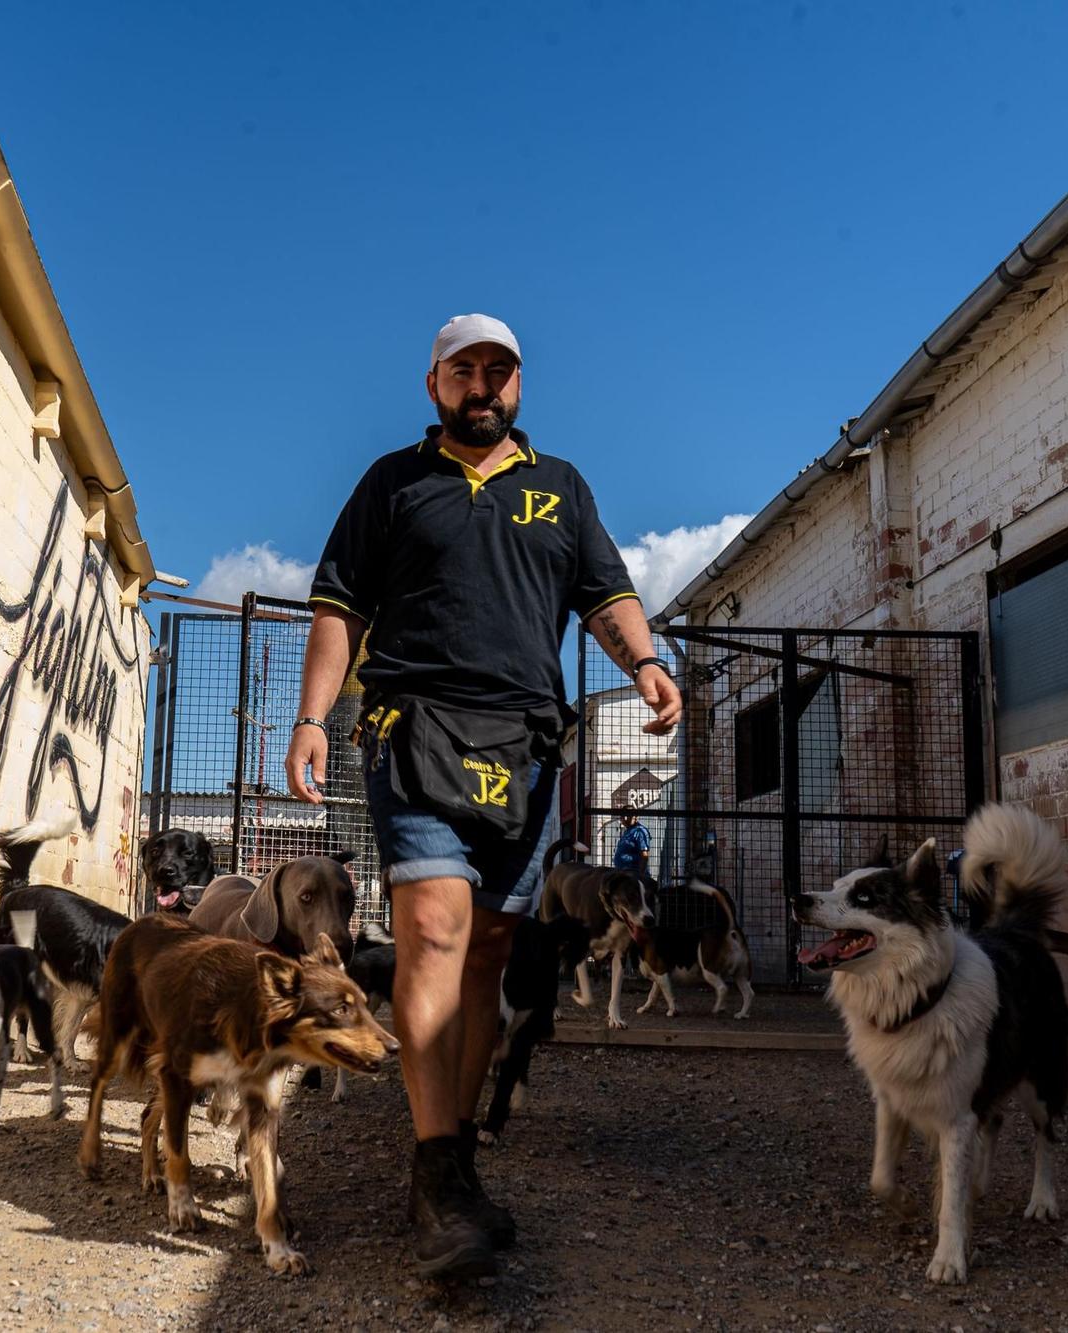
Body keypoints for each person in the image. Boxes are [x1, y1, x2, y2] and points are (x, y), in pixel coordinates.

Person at [284, 313, 682, 1279]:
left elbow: (606, 594)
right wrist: (309, 717)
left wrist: (645, 661)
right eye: (464, 370)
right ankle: (436, 1172)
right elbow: (341, 604)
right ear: (433, 385)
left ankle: (450, 1159)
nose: (484, 386)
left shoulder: (561, 488)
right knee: (432, 931)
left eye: (500, 372)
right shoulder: (392, 484)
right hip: (414, 727)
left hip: (529, 746)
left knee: (492, 950)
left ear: (518, 387)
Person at [612, 811, 651, 877]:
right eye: (623, 817)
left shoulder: (640, 832)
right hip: (623, 873)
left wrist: (640, 876)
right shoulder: (627, 831)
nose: (626, 818)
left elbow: (644, 856)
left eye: (628, 816)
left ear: (635, 817)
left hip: (633, 873)